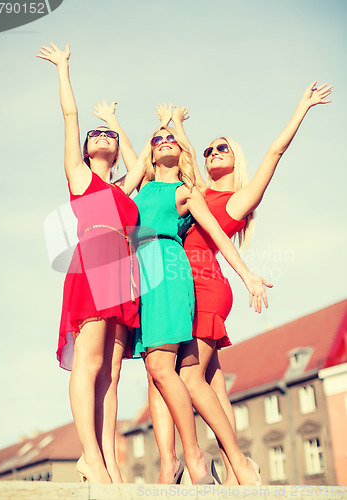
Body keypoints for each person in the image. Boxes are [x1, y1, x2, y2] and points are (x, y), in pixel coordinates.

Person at [154, 82, 332, 484]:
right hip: (185, 285)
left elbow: (274, 152)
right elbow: (180, 162)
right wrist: (174, 126)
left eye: (222, 148)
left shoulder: (239, 199)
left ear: (236, 158)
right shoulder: (198, 191)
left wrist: (301, 107)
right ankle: (240, 468)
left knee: (189, 377)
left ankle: (234, 464)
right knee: (214, 384)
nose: (213, 153)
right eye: (208, 149)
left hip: (205, 285)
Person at [93, 102, 271, 484]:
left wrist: (248, 275)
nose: (164, 142)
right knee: (160, 374)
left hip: (169, 272)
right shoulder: (140, 189)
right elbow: (133, 156)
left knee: (165, 368)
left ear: (180, 152)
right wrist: (116, 123)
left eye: (171, 139)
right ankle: (184, 461)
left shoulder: (186, 193)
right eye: (157, 140)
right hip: (141, 277)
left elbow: (221, 237)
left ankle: (199, 458)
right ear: (151, 152)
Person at [36, 43, 148, 483]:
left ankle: (109, 460)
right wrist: (64, 69)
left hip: (124, 270)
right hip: (94, 263)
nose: (103, 137)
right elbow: (70, 118)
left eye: (111, 138)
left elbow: (141, 165)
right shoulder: (80, 178)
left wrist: (119, 122)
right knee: (91, 363)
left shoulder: (125, 188)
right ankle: (90, 456)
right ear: (84, 152)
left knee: (114, 372)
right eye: (97, 136)